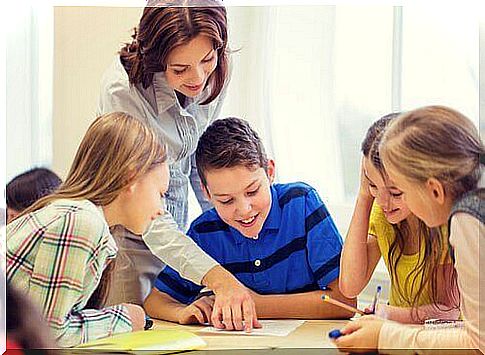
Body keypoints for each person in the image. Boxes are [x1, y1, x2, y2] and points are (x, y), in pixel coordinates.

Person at [97, 0, 259, 331]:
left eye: (207, 59)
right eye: (180, 69)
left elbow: (201, 159)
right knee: (130, 331)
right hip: (129, 230)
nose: (198, 78)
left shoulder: (216, 70)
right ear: (155, 60)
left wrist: (229, 216)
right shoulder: (123, 91)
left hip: (178, 225)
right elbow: (144, 207)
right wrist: (218, 277)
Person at [144, 117, 355, 324]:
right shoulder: (205, 232)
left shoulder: (302, 204)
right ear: (207, 193)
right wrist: (182, 312)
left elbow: (344, 301)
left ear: (270, 172)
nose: (244, 210)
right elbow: (155, 301)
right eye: (226, 201)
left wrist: (257, 304)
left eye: (252, 191)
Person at [334, 106, 484, 353]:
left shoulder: (467, 219)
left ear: (434, 190)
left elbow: (478, 343)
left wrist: (385, 336)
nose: (384, 203)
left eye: (400, 191)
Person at [7, 112, 165, 347]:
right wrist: (125, 318)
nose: (161, 209)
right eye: (161, 194)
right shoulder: (81, 221)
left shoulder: (75, 214)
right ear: (131, 177)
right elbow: (50, 333)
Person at [339, 113, 459, 323]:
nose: (384, 202)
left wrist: (390, 314)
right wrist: (364, 196)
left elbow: (449, 311)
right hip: (400, 339)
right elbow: (350, 286)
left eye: (395, 192)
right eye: (374, 185)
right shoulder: (383, 213)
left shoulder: (444, 223)